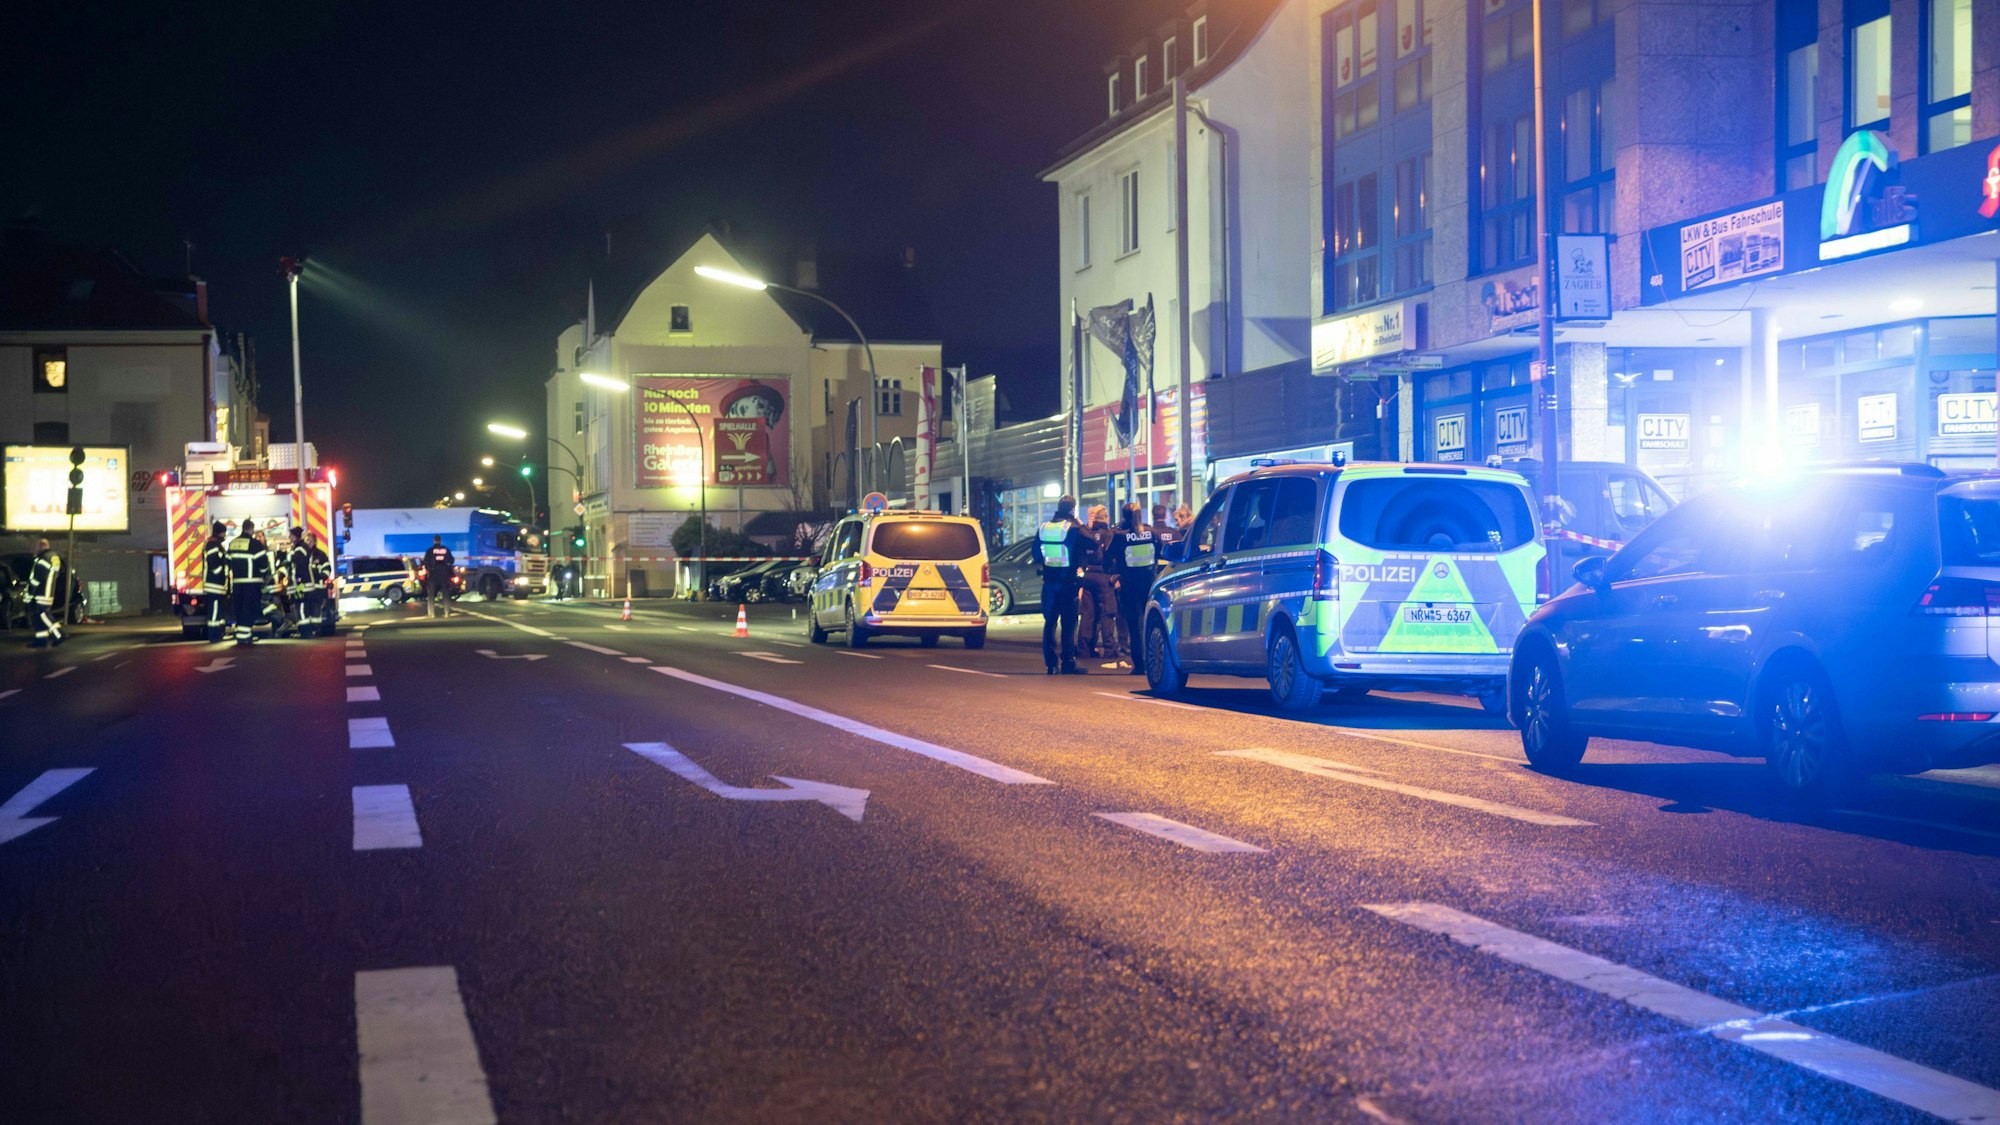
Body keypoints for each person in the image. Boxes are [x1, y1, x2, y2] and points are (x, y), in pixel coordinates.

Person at [1036, 496, 1092, 675]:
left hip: (1049, 583)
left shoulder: (1044, 528)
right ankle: (1068, 662)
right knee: (1068, 624)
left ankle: (1050, 664)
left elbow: (1036, 553)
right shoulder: (1073, 528)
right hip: (1068, 583)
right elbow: (1092, 541)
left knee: (1050, 623)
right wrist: (1080, 523)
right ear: (1072, 509)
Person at [1106, 503, 1159, 675]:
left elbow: (1107, 558)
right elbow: (1161, 553)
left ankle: (1139, 665)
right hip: (1149, 583)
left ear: (1124, 517)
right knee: (1151, 622)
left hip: (1129, 585)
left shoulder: (1120, 536)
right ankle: (1154, 661)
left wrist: (1114, 574)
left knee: (1134, 626)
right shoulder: (1151, 533)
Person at [1077, 504, 1118, 662]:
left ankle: (1084, 649)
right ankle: (1109, 649)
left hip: (1088, 576)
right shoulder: (1110, 535)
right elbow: (1113, 557)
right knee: (1107, 613)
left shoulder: (1088, 535)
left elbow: (1081, 555)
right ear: (1106, 518)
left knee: (1087, 614)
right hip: (1104, 577)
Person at [225, 518, 274, 645]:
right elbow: (264, 565)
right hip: (252, 584)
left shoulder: (233, 543)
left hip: (237, 584)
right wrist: (263, 575)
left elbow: (227, 562)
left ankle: (242, 635)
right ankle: (245, 636)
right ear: (251, 529)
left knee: (240, 608)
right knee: (250, 608)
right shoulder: (255, 544)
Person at [26, 538, 64, 648]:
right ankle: (41, 641)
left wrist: (30, 593)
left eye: (35, 546)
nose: (34, 548)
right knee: (39, 617)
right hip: (48, 591)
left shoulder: (44, 559)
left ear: (41, 546)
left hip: (42, 592)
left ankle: (59, 634)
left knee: (43, 615)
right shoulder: (53, 557)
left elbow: (37, 578)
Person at [201, 521, 232, 642]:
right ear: (220, 532)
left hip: (219, 586)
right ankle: (214, 636)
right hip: (214, 584)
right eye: (224, 532)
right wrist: (224, 563)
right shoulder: (212, 545)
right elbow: (214, 564)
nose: (225, 535)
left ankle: (220, 633)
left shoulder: (216, 544)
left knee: (219, 611)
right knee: (214, 612)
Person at [421, 535, 455, 617]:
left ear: (434, 540)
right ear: (440, 540)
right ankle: (447, 612)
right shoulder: (445, 549)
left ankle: (431, 613)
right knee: (446, 594)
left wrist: (429, 569)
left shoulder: (430, 550)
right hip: (444, 575)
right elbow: (451, 560)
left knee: (431, 595)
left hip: (433, 575)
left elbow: (425, 562)